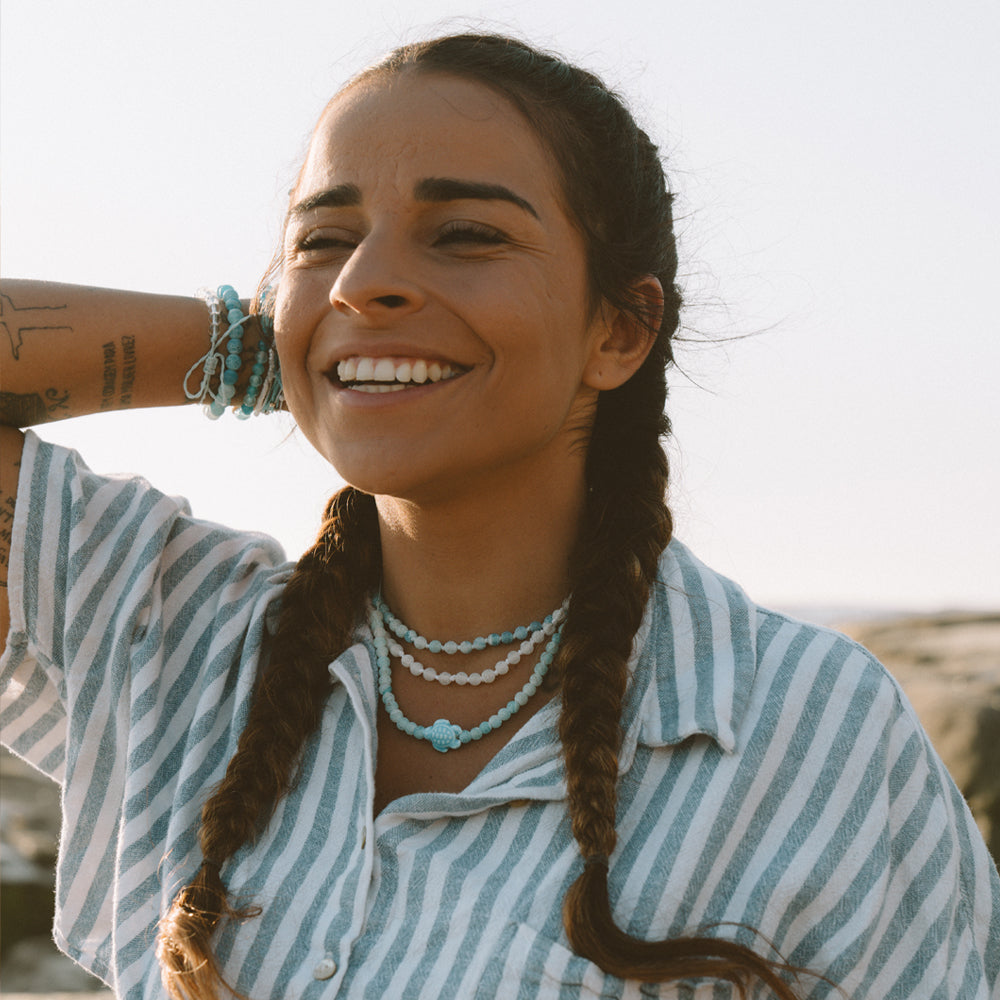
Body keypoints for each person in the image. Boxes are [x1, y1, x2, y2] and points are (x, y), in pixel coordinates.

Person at [0, 32, 997, 1000]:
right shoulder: (175, 633)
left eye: (466, 235)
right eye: (323, 241)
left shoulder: (805, 731)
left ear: (620, 329)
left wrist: (363, 347)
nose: (362, 280)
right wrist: (289, 349)